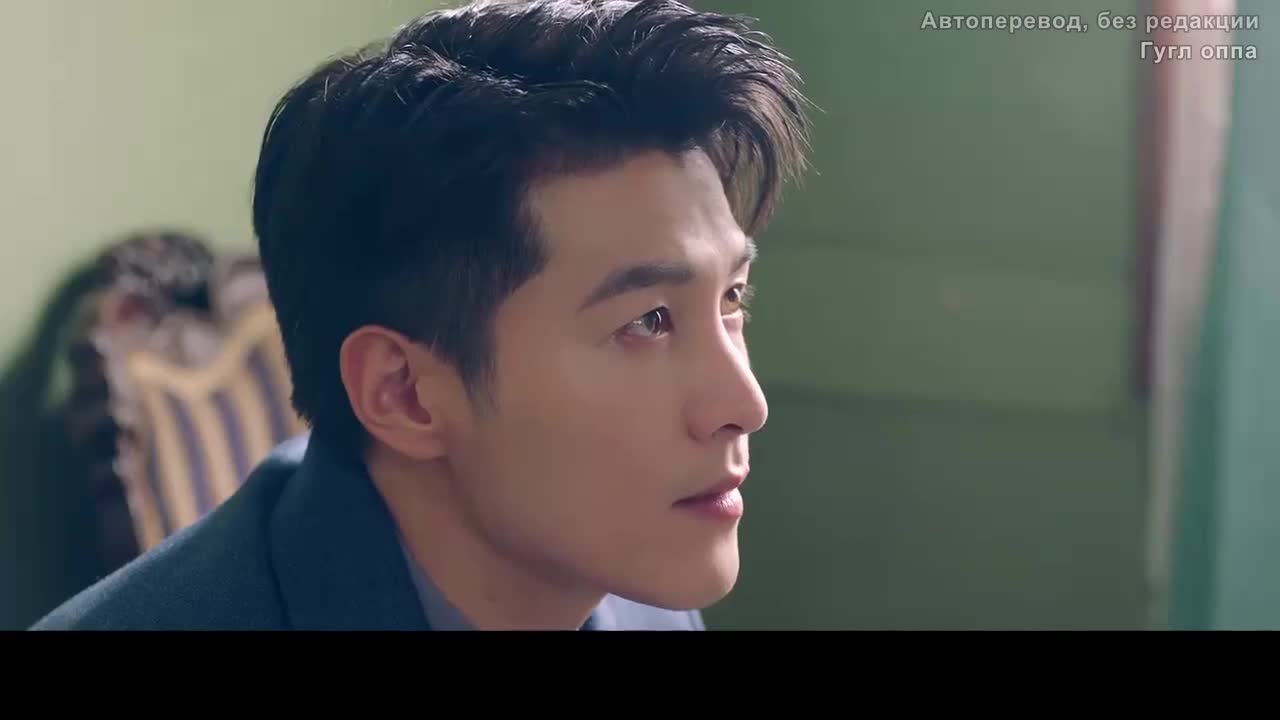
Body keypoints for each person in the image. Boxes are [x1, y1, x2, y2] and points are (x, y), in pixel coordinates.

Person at [32, 0, 810, 631]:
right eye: (649, 321)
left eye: (732, 298)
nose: (745, 405)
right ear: (403, 391)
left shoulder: (635, 577)